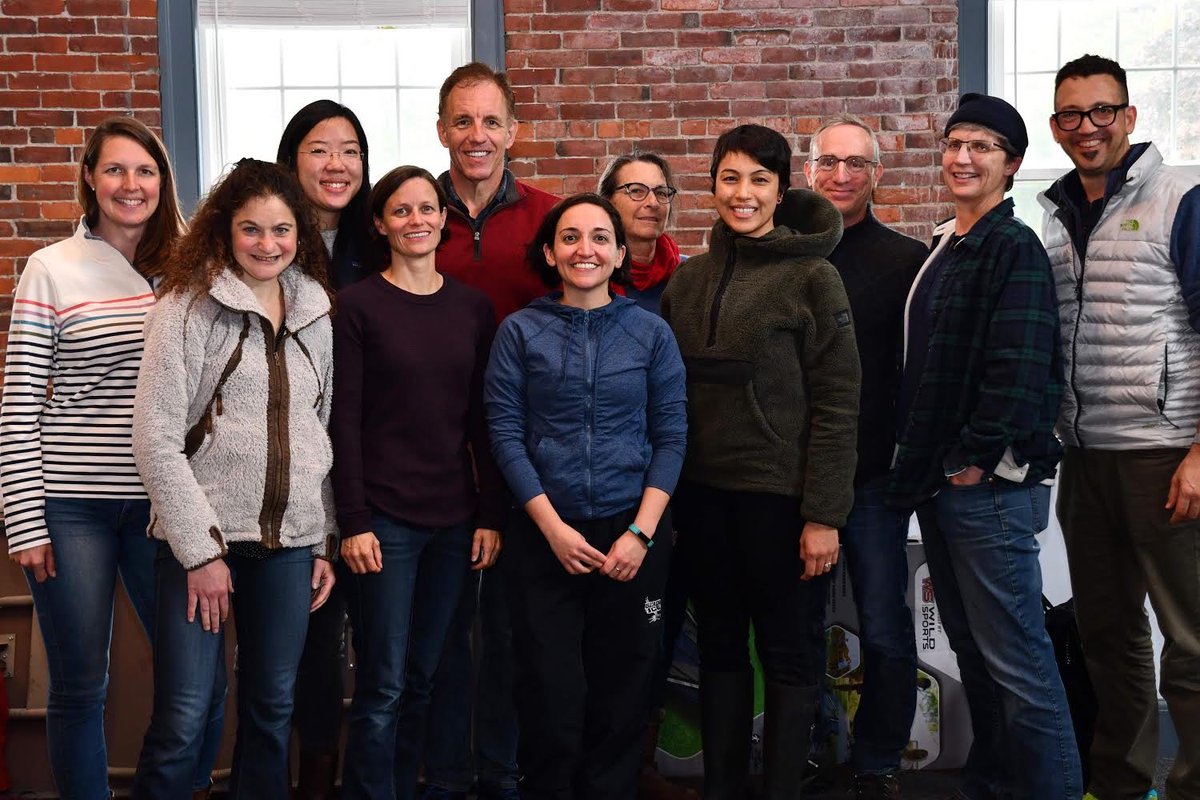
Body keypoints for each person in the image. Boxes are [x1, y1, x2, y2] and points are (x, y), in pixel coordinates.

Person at [0, 116, 222, 800]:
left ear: (164, 181)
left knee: (201, 682)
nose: (132, 184)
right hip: (72, 508)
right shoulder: (53, 268)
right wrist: (23, 520)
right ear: (91, 180)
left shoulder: (189, 267)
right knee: (81, 684)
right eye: (117, 170)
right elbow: (20, 401)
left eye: (146, 170)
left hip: (167, 509)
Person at [886, 94, 1080, 800]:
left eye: (984, 147)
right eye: (955, 143)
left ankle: (1053, 789)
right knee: (977, 653)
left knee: (1021, 665)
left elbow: (1021, 370)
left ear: (1012, 164)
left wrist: (968, 458)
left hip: (987, 489)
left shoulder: (1011, 247)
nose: (963, 157)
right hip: (943, 482)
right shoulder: (951, 241)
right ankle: (997, 785)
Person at [661, 124, 861, 800]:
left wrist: (825, 515)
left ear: (780, 190)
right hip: (703, 503)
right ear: (712, 184)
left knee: (789, 655)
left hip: (783, 506)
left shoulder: (815, 277)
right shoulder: (687, 280)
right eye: (729, 178)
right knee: (719, 650)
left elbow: (838, 402)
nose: (741, 194)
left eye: (758, 180)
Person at [130, 159, 336, 799]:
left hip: (289, 548)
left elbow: (317, 427)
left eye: (281, 230)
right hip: (204, 546)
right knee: (184, 718)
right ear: (225, 231)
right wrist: (199, 552)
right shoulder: (185, 307)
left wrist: (322, 536)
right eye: (252, 230)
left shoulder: (315, 307)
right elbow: (155, 437)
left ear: (299, 233)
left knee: (272, 712)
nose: (268, 244)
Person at [484, 193, 687, 800]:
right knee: (550, 687)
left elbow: (671, 437)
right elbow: (505, 434)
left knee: (624, 687)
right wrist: (550, 528)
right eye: (570, 238)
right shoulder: (520, 331)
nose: (585, 250)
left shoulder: (651, 334)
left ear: (620, 252)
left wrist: (641, 534)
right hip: (547, 533)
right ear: (549, 252)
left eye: (600, 238)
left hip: (633, 533)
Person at [1042, 54, 1200, 800]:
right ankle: (1119, 781)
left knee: (1191, 638)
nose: (1088, 128)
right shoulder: (1055, 214)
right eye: (1072, 115)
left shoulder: (1180, 198)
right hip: (1087, 455)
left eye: (1103, 111)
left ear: (1129, 117)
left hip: (1166, 455)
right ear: (1055, 126)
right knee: (1108, 634)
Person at [332, 165, 506, 800]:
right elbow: (342, 422)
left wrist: (491, 513)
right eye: (401, 211)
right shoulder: (355, 307)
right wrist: (353, 521)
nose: (417, 221)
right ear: (380, 224)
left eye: (427, 209)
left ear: (444, 220)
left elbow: (486, 421)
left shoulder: (472, 309)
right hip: (383, 520)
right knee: (383, 682)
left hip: (456, 520)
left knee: (428, 673)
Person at [424, 61, 559, 800]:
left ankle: (502, 772)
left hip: (524, 454)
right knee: (443, 634)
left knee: (510, 633)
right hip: (431, 451)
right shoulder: (413, 212)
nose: (477, 136)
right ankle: (445, 775)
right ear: (441, 129)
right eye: (462, 121)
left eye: (490, 121)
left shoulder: (548, 218)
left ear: (513, 130)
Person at [802, 115, 928, 800]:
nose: (842, 175)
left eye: (857, 163)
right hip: (798, 481)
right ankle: (819, 749)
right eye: (829, 162)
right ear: (809, 171)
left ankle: (877, 762)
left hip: (877, 481)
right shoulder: (788, 255)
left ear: (877, 174)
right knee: (799, 631)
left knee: (884, 630)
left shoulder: (908, 262)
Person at [276, 98, 373, 799]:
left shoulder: (380, 240)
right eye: (319, 148)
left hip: (373, 474)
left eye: (350, 149)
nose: (336, 164)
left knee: (377, 651)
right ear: (291, 160)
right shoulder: (266, 243)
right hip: (290, 476)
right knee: (306, 653)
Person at [598, 151, 694, 800]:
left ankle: (639, 764)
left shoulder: (685, 282)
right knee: (597, 639)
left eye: (662, 192)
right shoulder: (584, 279)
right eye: (635, 190)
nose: (650, 202)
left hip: (671, 485)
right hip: (599, 487)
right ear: (607, 199)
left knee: (654, 637)